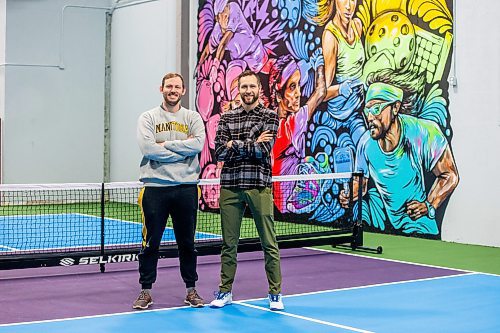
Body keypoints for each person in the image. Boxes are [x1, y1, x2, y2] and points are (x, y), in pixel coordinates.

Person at [340, 80, 459, 235]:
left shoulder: (424, 132)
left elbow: (450, 175)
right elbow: (360, 185)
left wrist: (429, 205)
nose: (369, 117)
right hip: (394, 229)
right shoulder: (365, 144)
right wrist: (349, 195)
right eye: (367, 111)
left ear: (395, 107)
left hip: (421, 227)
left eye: (376, 109)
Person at [211, 70, 284, 310]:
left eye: (252, 86)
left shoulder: (271, 117)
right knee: (228, 244)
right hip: (230, 186)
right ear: (238, 90)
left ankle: (275, 293)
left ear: (259, 90)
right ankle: (225, 292)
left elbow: (265, 150)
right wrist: (250, 144)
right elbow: (219, 152)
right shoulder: (226, 117)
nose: (248, 91)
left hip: (259, 185)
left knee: (268, 242)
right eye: (244, 87)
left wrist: (235, 144)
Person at [133, 73, 206, 309]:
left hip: (186, 189)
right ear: (161, 89)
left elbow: (198, 145)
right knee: (150, 243)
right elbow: (148, 148)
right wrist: (182, 150)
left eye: (177, 86)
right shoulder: (148, 117)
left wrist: (165, 145)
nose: (173, 90)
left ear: (183, 90)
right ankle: (145, 291)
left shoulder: (193, 117)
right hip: (155, 189)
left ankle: (191, 290)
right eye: (169, 86)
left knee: (187, 243)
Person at [269, 53, 326, 213]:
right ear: (279, 95)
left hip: (277, 202)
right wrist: (320, 66)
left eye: (299, 85)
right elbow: (320, 92)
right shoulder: (290, 126)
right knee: (312, 165)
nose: (299, 94)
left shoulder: (269, 120)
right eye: (292, 87)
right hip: (287, 205)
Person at [321, 0, 366, 146]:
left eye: (352, 0)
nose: (348, 6)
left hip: (362, 103)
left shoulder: (357, 25)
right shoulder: (330, 36)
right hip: (344, 112)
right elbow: (323, 94)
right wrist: (341, 89)